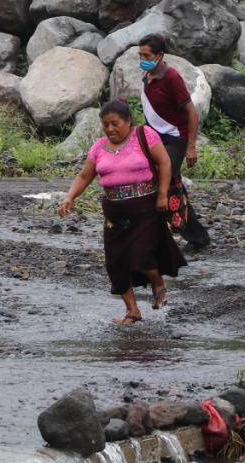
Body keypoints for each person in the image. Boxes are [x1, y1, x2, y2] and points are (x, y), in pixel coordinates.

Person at [58, 100, 187, 325]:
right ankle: (132, 311)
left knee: (141, 253)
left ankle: (158, 283)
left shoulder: (144, 136)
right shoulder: (99, 147)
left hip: (146, 208)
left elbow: (164, 162)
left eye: (115, 124)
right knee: (115, 263)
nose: (110, 129)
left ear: (128, 122)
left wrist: (162, 194)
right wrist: (69, 197)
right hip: (115, 213)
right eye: (105, 125)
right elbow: (84, 176)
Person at [137, 34, 213, 252]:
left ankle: (193, 236)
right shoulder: (146, 75)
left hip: (175, 139)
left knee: (165, 182)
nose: (142, 58)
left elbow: (191, 112)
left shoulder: (171, 78)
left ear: (160, 55)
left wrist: (191, 146)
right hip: (155, 137)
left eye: (147, 55)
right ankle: (189, 234)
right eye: (140, 54)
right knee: (168, 184)